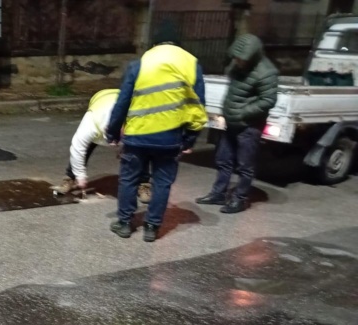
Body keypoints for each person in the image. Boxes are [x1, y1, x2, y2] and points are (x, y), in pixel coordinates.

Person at [105, 21, 207, 242]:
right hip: (170, 139)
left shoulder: (140, 63)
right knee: (162, 183)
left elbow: (122, 102)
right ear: (178, 44)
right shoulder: (192, 63)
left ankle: (124, 223)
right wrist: (189, 140)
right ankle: (151, 227)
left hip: (137, 136)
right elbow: (197, 106)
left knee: (128, 179)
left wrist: (112, 132)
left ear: (155, 43)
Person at [195, 34, 278, 214]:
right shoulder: (238, 66)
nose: (237, 62)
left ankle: (240, 199)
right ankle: (218, 194)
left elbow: (268, 100)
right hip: (231, 123)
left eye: (241, 59)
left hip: (249, 127)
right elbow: (234, 83)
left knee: (244, 165)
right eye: (236, 58)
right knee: (223, 160)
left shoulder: (267, 72)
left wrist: (242, 113)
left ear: (252, 57)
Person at [53, 89, 151, 203]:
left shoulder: (136, 119)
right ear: (106, 130)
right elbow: (77, 148)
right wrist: (80, 175)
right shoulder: (91, 123)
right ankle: (70, 178)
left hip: (120, 100)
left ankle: (143, 183)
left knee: (141, 151)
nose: (114, 146)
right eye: (113, 140)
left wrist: (125, 147)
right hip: (101, 99)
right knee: (85, 148)